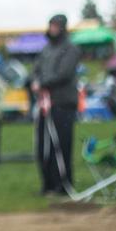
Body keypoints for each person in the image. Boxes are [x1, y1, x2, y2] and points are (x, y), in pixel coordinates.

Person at [31, 13, 81, 195]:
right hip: (45, 106)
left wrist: (43, 83)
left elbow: (64, 74)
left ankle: (64, 184)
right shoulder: (46, 50)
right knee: (43, 146)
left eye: (56, 26)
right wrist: (34, 81)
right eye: (51, 25)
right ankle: (48, 184)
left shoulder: (71, 49)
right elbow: (35, 70)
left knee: (62, 146)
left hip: (63, 104)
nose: (52, 29)